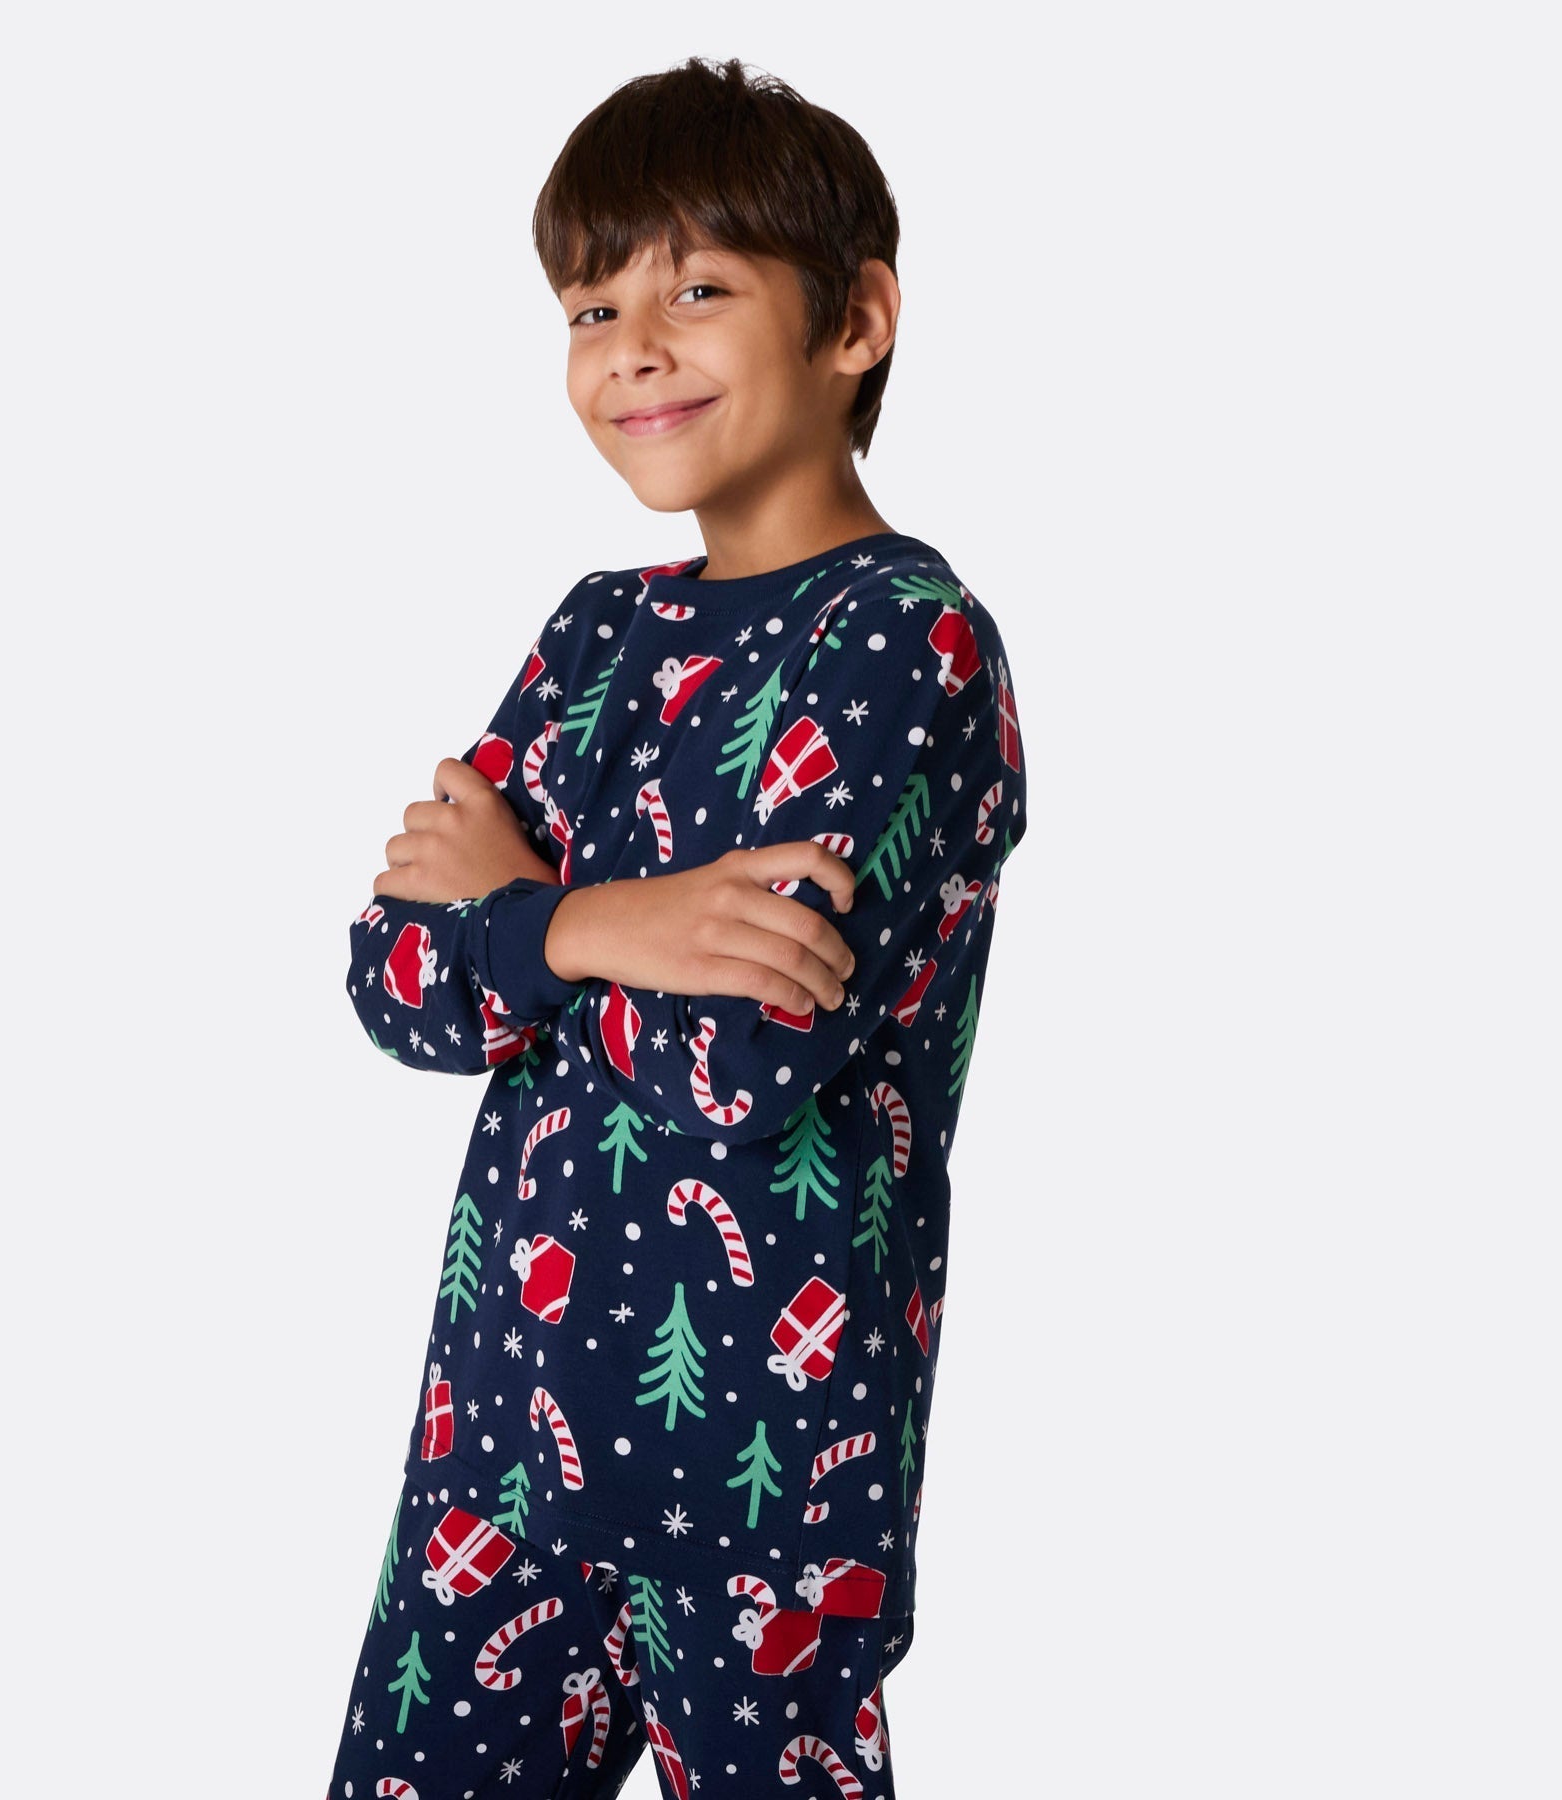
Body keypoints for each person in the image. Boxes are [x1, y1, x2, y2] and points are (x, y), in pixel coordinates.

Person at [325, 55, 1029, 1800]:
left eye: (697, 291)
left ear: (854, 320)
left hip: (770, 1482)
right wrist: (601, 926)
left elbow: (738, 1057)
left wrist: (520, 915)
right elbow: (395, 978)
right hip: (498, 1439)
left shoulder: (909, 639)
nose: (631, 348)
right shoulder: (595, 632)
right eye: (592, 308)